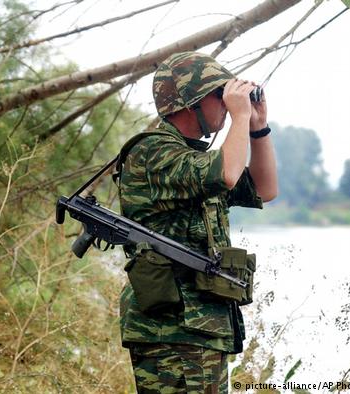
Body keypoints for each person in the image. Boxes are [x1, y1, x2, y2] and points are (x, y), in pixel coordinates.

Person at [117, 51, 277, 393]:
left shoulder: (195, 160)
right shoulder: (153, 154)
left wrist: (258, 127)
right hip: (172, 331)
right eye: (220, 96)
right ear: (192, 102)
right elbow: (228, 173)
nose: (226, 104)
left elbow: (266, 189)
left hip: (199, 328)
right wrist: (238, 117)